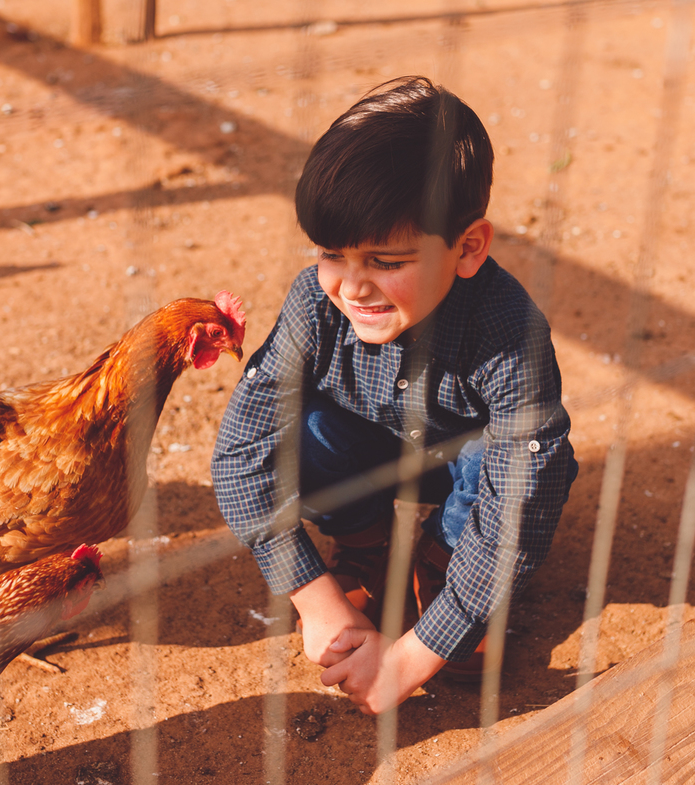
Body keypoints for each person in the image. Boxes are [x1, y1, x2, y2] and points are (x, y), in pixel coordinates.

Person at [210, 76, 578, 715]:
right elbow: (242, 454)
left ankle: (445, 567)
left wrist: (416, 655)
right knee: (298, 426)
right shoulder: (314, 306)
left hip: (469, 478)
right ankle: (368, 540)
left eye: (386, 261)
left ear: (468, 248)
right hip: (369, 457)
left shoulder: (508, 332)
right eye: (332, 254)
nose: (352, 287)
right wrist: (312, 596)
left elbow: (524, 493)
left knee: (512, 459)